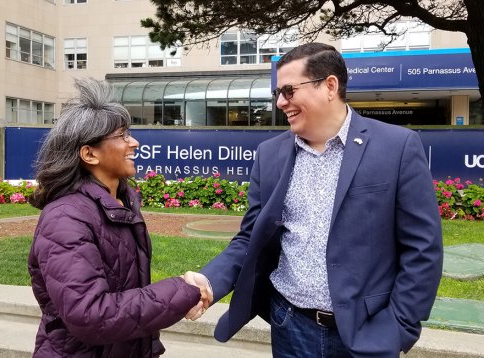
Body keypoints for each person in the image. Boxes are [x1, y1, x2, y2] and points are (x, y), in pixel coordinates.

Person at [183, 43, 443, 357]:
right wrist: (210, 280)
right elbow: (252, 237)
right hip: (290, 326)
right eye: (277, 93)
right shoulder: (270, 155)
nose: (280, 102)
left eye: (289, 91)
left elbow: (423, 249)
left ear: (330, 86)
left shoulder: (397, 147)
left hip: (367, 335)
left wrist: (397, 328)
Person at [28, 78, 209, 357]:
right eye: (122, 135)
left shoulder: (121, 203)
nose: (134, 143)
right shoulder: (65, 218)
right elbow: (91, 316)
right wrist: (181, 290)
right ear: (89, 154)